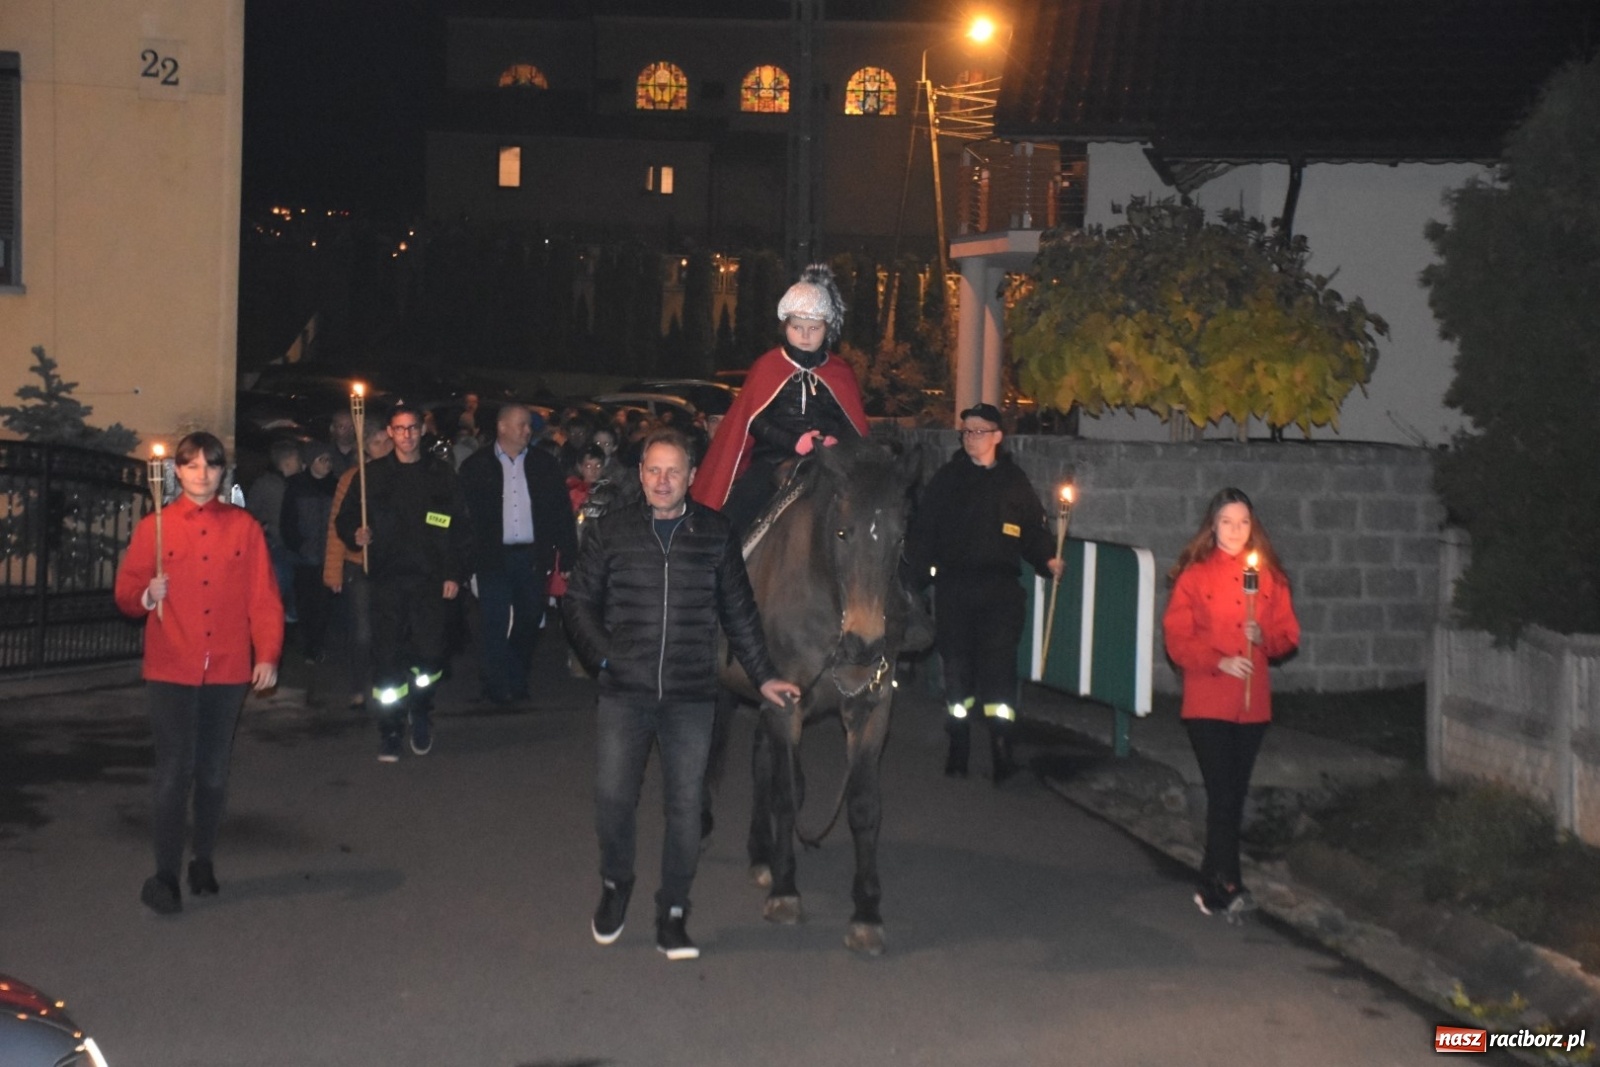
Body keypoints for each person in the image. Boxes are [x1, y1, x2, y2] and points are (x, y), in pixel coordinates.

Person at [563, 428, 801, 961]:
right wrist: (605, 656)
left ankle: (674, 909)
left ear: (692, 477)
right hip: (625, 692)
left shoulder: (715, 534)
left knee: (687, 809)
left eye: (673, 471)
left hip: (693, 696)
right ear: (641, 474)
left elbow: (740, 613)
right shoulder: (613, 531)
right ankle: (615, 884)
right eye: (653, 470)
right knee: (613, 801)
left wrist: (763, 676)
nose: (662, 481)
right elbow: (577, 603)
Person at [114, 431, 284, 914]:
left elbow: (263, 597)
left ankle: (202, 858)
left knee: (212, 774)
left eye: (211, 465)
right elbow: (126, 593)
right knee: (173, 772)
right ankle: (164, 874)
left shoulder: (244, 527)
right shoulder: (156, 526)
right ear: (177, 472)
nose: (202, 474)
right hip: (171, 665)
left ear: (221, 471)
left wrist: (267, 653)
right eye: (191, 466)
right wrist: (148, 594)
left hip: (227, 668)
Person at [904, 403, 1065, 784]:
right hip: (955, 590)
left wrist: (1047, 559)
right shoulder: (948, 480)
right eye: (966, 432)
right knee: (957, 672)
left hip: (1000, 594)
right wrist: (910, 581)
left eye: (978, 431)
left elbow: (1033, 531)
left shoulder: (1014, 482)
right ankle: (958, 742)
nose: (970, 438)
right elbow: (924, 533)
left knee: (999, 675)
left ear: (997, 436)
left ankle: (1001, 750)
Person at [1163, 487, 1300, 918]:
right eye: (1227, 522)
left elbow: (1286, 637)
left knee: (1232, 796)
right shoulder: (1196, 576)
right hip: (1207, 700)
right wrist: (1219, 661)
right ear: (1213, 525)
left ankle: (1210, 880)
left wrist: (1266, 638)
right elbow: (1177, 640)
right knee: (1222, 792)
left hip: (1251, 706)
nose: (1236, 530)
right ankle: (1231, 881)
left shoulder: (1270, 578)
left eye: (1243, 522)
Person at [335, 402, 472, 762]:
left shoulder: (441, 475)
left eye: (413, 428)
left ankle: (421, 712)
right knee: (388, 661)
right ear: (390, 433)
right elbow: (346, 518)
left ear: (422, 431)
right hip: (386, 583)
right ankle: (390, 728)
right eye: (400, 429)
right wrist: (356, 533)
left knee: (428, 659)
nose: (407, 435)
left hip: (429, 583)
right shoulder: (371, 475)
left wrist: (454, 573)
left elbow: (460, 528)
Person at [691, 263, 869, 534]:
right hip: (772, 460)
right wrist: (792, 441)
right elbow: (754, 419)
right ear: (785, 326)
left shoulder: (840, 371)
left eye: (814, 328)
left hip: (828, 460)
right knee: (734, 514)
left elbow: (849, 420)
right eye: (798, 328)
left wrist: (834, 438)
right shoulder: (768, 366)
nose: (806, 336)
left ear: (827, 328)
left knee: (871, 507)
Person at [458, 403, 577, 706]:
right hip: (493, 557)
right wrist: (462, 560)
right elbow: (462, 516)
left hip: (532, 557)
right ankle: (497, 686)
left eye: (529, 425)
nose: (528, 430)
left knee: (529, 619)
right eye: (522, 424)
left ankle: (515, 673)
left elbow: (560, 511)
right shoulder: (476, 466)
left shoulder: (544, 465)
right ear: (502, 427)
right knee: (494, 621)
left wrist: (567, 553)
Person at [323, 420, 393, 709]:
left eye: (386, 441)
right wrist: (333, 569)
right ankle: (358, 686)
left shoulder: (399, 475)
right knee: (362, 631)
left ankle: (385, 683)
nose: (384, 447)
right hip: (359, 564)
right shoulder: (352, 478)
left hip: (391, 565)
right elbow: (336, 525)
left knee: (388, 629)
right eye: (376, 442)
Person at [282, 441, 338, 662]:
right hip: (304, 557)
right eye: (321, 459)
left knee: (323, 603)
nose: (326, 464)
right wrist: (298, 545)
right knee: (305, 602)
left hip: (327, 555)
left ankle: (317, 645)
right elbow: (287, 521)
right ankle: (307, 644)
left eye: (328, 459)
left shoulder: (335, 486)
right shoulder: (296, 486)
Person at [247, 437, 302, 622]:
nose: (301, 464)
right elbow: (252, 512)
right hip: (275, 544)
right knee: (280, 578)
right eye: (297, 460)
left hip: (295, 544)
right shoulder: (266, 484)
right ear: (287, 462)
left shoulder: (299, 484)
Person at [326, 410, 358, 478]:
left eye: (351, 427)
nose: (348, 432)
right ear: (333, 429)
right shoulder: (325, 453)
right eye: (342, 427)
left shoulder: (363, 453)